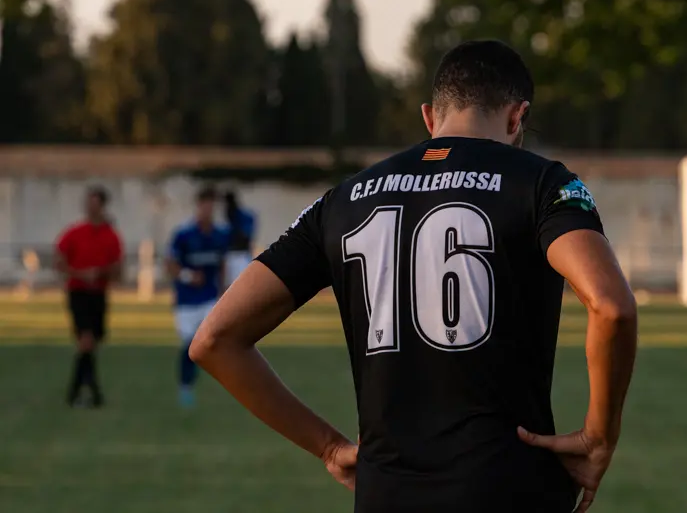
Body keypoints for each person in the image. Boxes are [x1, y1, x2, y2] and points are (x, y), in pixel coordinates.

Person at [191, 40, 638, 512]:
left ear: (430, 118)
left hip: (388, 493)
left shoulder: (344, 199)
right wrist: (598, 436)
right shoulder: (543, 182)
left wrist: (327, 446)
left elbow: (214, 340)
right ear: (516, 117)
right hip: (508, 486)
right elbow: (611, 305)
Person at [55, 186, 123, 408]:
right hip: (78, 292)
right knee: (85, 341)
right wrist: (80, 273)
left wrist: (100, 273)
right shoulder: (74, 233)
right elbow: (59, 260)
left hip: (98, 294)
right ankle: (91, 393)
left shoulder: (110, 236)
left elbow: (118, 269)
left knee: (92, 343)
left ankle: (78, 393)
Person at [165, 186, 228, 408]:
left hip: (209, 298)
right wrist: (188, 275)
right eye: (205, 205)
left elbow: (221, 264)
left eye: (212, 206)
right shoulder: (184, 234)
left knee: (215, 341)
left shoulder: (220, 235)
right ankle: (186, 386)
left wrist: (224, 291)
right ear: (198, 206)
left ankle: (229, 385)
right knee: (189, 345)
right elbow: (170, 264)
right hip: (186, 300)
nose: (208, 210)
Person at [223, 190, 257, 285]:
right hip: (227, 256)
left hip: (241, 255)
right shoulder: (225, 215)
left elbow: (245, 237)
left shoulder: (244, 216)